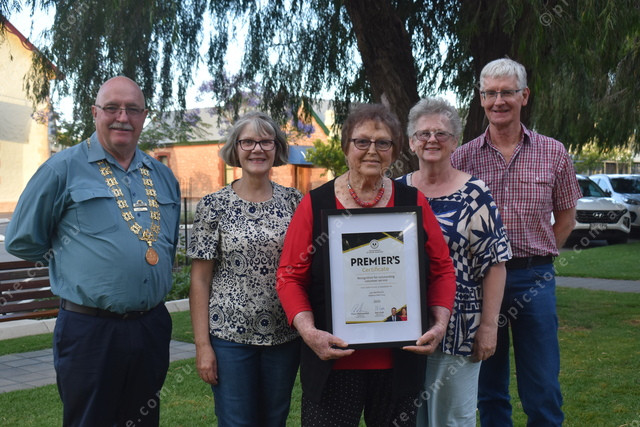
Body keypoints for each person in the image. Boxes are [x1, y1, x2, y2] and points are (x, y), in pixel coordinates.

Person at [5, 76, 181, 426]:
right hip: (90, 330)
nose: (122, 117)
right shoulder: (62, 169)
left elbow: (169, 241)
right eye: (112, 108)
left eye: (132, 109)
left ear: (144, 116)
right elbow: (22, 238)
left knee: (144, 420)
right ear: (94, 112)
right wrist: (72, 260)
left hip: (151, 326)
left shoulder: (162, 175)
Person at [276, 103, 457, 426]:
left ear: (394, 151)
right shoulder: (315, 204)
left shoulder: (412, 202)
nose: (372, 150)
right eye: (362, 141)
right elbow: (290, 276)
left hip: (399, 362)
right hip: (332, 361)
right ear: (346, 147)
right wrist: (308, 332)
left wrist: (439, 323)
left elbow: (442, 268)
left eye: (383, 142)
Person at [451, 58, 582, 426]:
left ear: (524, 96)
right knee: (489, 386)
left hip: (532, 279)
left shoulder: (553, 152)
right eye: (490, 93)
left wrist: (538, 256)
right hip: (479, 281)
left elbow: (567, 218)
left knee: (542, 385)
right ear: (481, 98)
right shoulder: (462, 157)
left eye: (507, 92)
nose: (499, 101)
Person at [398, 97, 511, 426]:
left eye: (441, 133)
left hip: (460, 329)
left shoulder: (475, 194)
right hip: (402, 326)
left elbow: (495, 264)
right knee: (408, 418)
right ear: (411, 142)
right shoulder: (397, 191)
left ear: (455, 142)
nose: (431, 140)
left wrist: (488, 327)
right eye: (423, 134)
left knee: (452, 420)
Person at [187, 111, 302, 426]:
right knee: (237, 421)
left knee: (275, 419)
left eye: (266, 142)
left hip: (284, 336)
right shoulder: (213, 206)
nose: (257, 149)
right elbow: (199, 280)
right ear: (235, 149)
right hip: (229, 338)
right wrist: (203, 346)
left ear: (277, 148)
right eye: (248, 142)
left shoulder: (295, 202)